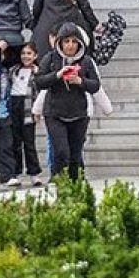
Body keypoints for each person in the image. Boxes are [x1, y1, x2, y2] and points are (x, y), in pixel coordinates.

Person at [32, 22, 100, 181]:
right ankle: (59, 182)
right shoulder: (50, 59)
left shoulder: (86, 61)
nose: (70, 46)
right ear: (60, 43)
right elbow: (39, 81)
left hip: (78, 114)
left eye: (74, 42)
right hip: (55, 113)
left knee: (76, 155)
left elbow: (95, 85)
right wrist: (57, 75)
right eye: (66, 41)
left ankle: (76, 187)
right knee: (61, 151)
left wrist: (80, 81)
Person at [6, 42, 44, 186]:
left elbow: (40, 92)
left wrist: (38, 111)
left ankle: (34, 173)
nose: (26, 56)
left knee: (29, 143)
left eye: (29, 53)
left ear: (35, 56)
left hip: (29, 107)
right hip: (14, 105)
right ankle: (16, 172)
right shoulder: (14, 70)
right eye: (23, 53)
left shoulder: (38, 72)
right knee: (15, 142)